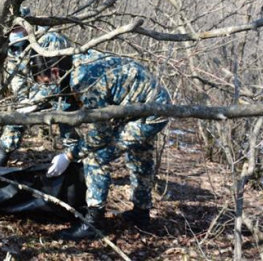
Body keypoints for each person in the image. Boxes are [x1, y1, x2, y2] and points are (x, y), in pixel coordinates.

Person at [28, 46, 170, 240]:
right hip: (140, 104)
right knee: (139, 156)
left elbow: (100, 135)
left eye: (46, 83)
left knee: (95, 156)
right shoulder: (72, 61)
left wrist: (70, 155)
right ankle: (141, 213)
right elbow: (68, 107)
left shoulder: (83, 78)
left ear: (54, 72)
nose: (46, 88)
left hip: (151, 110)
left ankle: (93, 223)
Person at [0, 16, 79, 166]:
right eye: (12, 28)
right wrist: (22, 101)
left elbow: (53, 80)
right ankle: (0, 161)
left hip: (67, 91)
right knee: (17, 117)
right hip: (41, 91)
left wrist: (32, 104)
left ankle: (74, 161)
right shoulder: (13, 47)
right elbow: (18, 78)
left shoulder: (49, 39)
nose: (15, 31)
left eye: (18, 27)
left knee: (67, 126)